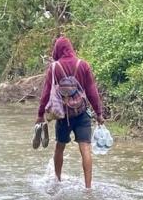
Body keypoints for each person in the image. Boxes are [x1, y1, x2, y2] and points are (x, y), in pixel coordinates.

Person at [37, 36, 105, 188]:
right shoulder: (83, 65)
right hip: (82, 114)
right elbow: (92, 91)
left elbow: (46, 93)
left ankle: (57, 180)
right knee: (85, 148)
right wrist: (98, 113)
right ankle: (88, 187)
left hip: (63, 115)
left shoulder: (54, 68)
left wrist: (40, 114)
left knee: (60, 146)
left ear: (58, 49)